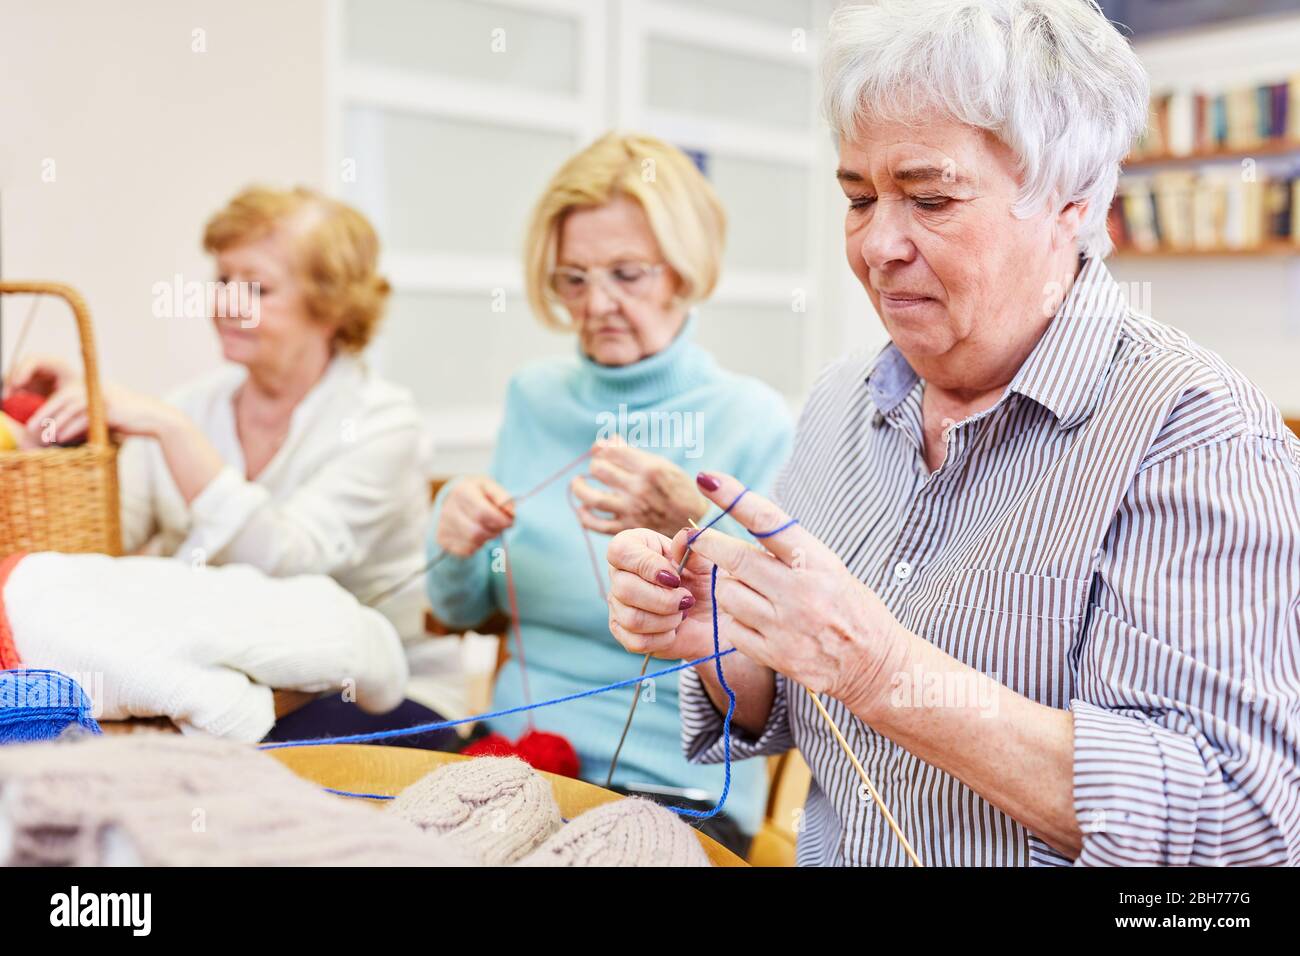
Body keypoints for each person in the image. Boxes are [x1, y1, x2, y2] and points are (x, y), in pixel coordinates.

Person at [605, 0, 1300, 866]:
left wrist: (883, 671)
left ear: (1072, 204)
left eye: (930, 198)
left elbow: (1237, 830)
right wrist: (726, 639)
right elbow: (783, 706)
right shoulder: (839, 403)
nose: (876, 245)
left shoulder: (1199, 437)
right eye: (858, 197)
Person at [425, 133, 794, 855]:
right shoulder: (534, 396)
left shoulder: (752, 421)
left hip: (676, 790)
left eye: (627, 274)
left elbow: (774, 674)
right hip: (514, 760)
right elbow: (463, 608)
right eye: (573, 279)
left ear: (684, 273)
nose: (597, 305)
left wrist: (692, 522)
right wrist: (456, 542)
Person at [8, 187, 459, 746]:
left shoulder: (383, 423)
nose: (226, 303)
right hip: (226, 678)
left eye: (257, 288)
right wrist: (58, 446)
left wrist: (173, 433)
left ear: (333, 305)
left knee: (223, 763)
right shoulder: (191, 404)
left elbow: (291, 565)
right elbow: (100, 551)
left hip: (372, 690)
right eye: (222, 281)